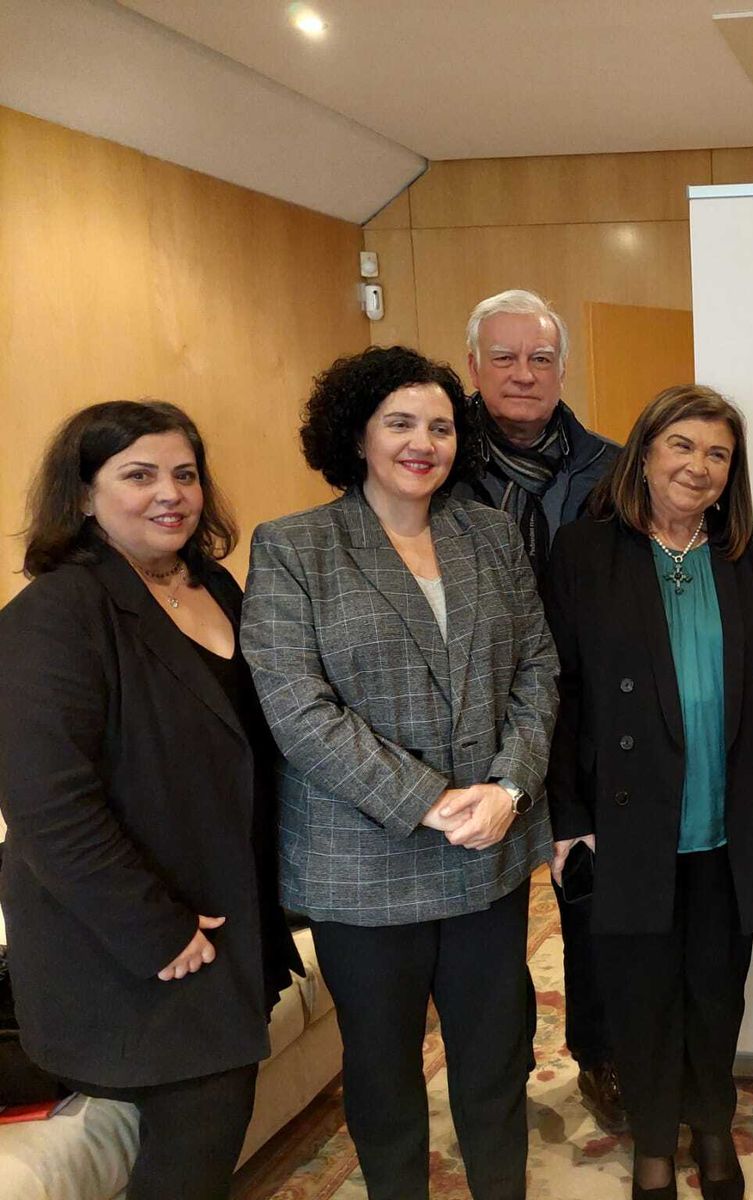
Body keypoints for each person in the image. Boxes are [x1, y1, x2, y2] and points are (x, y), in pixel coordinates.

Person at [241, 346, 557, 1200]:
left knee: (495, 1063)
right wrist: (428, 801)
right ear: (357, 434)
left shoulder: (489, 533)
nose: (425, 443)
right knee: (383, 1080)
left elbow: (538, 668)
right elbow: (297, 710)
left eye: (443, 426)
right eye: (401, 424)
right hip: (364, 868)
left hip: (488, 852)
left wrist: (511, 787)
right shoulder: (295, 547)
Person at [0, 401, 298, 1200]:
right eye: (138, 475)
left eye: (185, 474)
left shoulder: (216, 586)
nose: (170, 493)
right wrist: (157, 931)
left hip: (224, 918)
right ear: (84, 495)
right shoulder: (56, 615)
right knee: (194, 1157)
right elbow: (46, 807)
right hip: (132, 946)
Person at [544, 385, 753, 1200]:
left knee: (717, 989)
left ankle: (712, 1126)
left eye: (717, 453)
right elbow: (561, 692)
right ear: (643, 453)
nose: (699, 466)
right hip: (626, 823)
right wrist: (568, 819)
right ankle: (654, 1139)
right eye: (681, 446)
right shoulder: (583, 552)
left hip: (730, 818)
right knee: (641, 993)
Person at [451, 287, 626, 1131]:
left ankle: (602, 1058)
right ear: (473, 366)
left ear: (563, 368)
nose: (524, 374)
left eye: (542, 358)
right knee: (492, 908)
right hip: (471, 712)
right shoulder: (432, 462)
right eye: (506, 357)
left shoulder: (613, 466)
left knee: (589, 891)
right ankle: (503, 1071)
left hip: (586, 708)